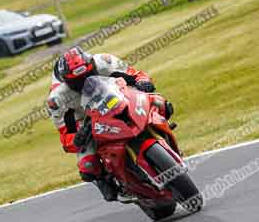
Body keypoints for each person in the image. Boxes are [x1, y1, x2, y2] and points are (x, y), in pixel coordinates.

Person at [46, 47, 168, 201]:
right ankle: (106, 180)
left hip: (115, 97)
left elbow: (134, 74)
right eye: (77, 82)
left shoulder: (104, 62)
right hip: (84, 118)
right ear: (67, 82)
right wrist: (78, 137)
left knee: (161, 103)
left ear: (92, 66)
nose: (84, 83)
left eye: (87, 76)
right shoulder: (57, 100)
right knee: (88, 167)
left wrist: (143, 82)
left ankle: (162, 128)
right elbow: (65, 137)